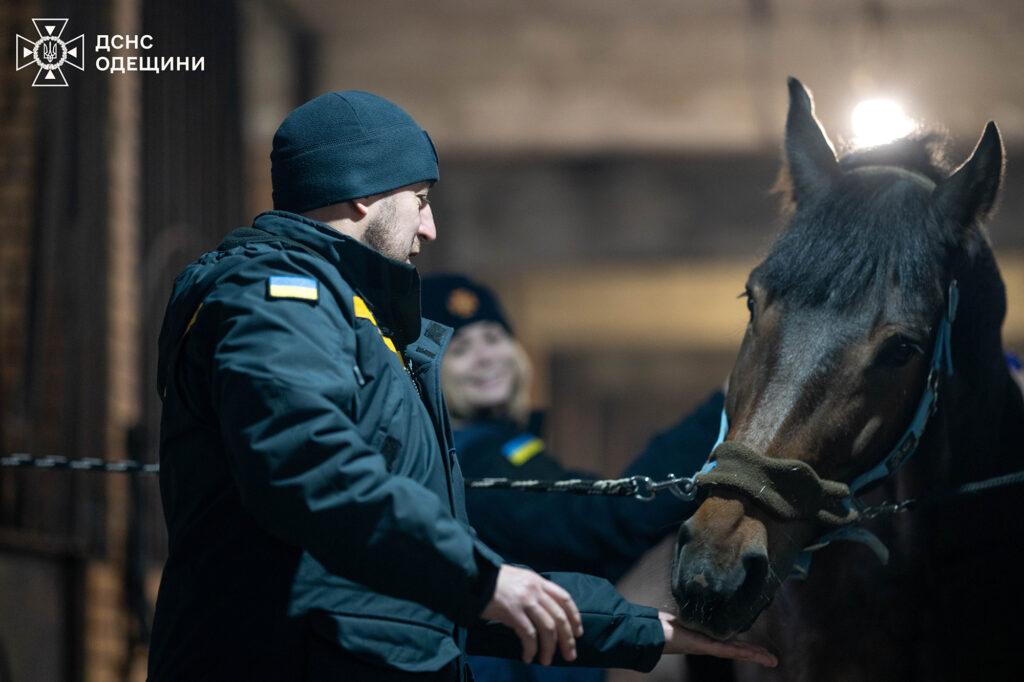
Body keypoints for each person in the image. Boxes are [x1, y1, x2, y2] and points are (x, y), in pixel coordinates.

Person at [147, 90, 776, 681]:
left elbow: (433, 579)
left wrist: (638, 628)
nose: (430, 228)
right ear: (363, 194)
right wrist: (483, 581)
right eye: (420, 198)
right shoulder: (275, 302)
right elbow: (312, 469)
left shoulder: (368, 335)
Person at [422, 274, 727, 681]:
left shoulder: (505, 447)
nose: (485, 357)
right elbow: (599, 524)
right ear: (434, 368)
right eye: (460, 348)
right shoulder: (469, 462)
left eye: (493, 338)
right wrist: (722, 412)